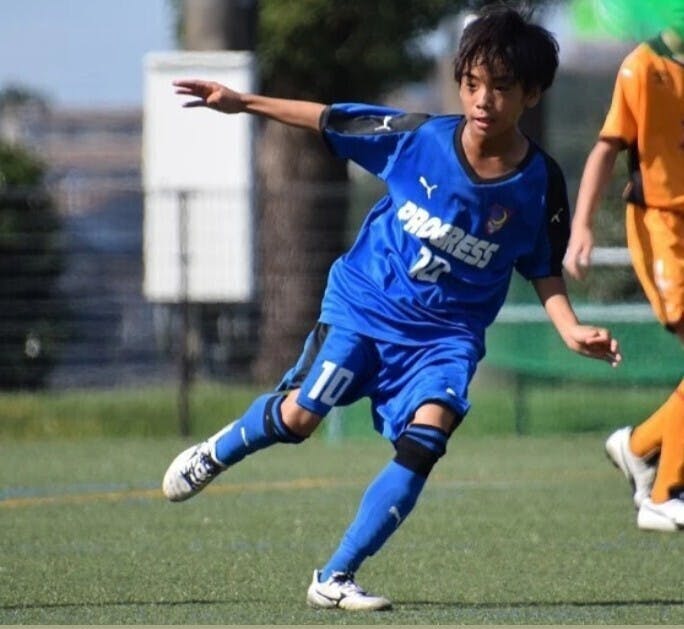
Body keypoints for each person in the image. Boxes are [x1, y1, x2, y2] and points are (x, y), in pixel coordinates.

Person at [163, 6, 621, 611]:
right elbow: (327, 118)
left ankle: (335, 577)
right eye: (472, 83)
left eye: (501, 87)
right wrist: (242, 102)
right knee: (299, 420)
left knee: (427, 438)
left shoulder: (540, 183)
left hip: (446, 338)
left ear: (531, 94)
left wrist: (570, 328)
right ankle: (217, 451)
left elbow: (541, 266)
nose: (482, 100)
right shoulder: (416, 138)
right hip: (365, 307)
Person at [564, 21, 684, 532]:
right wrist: (582, 226)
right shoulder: (642, 66)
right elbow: (606, 148)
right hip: (662, 227)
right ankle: (663, 493)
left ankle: (638, 447)